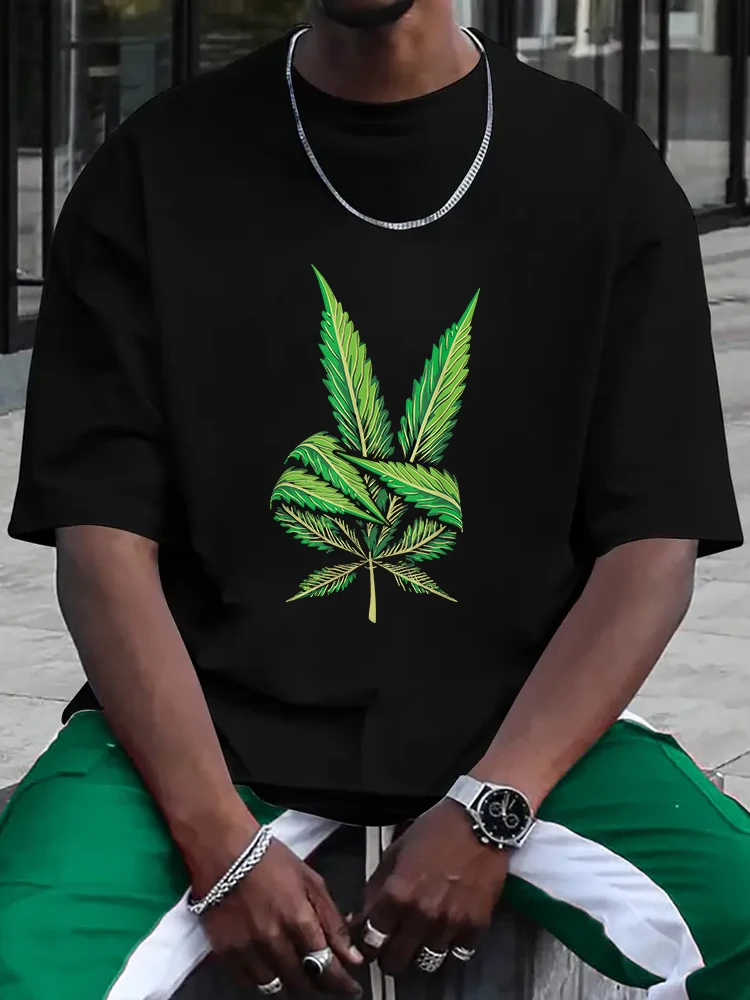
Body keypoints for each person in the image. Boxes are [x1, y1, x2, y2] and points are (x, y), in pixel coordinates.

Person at [1, 0, 748, 997]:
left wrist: (494, 803)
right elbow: (102, 546)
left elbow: (650, 549)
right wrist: (218, 837)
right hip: (208, 733)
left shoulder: (603, 175)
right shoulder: (154, 171)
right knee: (20, 961)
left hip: (516, 735)